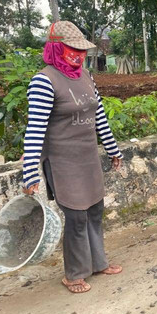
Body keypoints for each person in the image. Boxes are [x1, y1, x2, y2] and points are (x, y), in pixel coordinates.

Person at [22, 21, 124, 294]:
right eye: (72, 50)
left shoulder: (86, 76)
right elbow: (35, 130)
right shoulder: (44, 81)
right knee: (77, 217)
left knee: (95, 210)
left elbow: (99, 116)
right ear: (57, 48)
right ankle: (74, 274)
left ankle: (98, 262)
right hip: (62, 161)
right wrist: (30, 172)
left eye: (82, 51)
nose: (79, 56)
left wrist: (113, 148)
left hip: (87, 156)